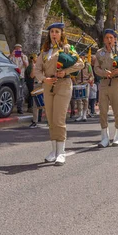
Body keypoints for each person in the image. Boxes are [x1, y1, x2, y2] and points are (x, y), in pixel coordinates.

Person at [34, 23, 83, 165]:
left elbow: (80, 64)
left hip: (63, 84)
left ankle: (61, 152)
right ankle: (53, 150)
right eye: (51, 32)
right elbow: (37, 70)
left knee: (59, 119)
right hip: (48, 86)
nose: (54, 34)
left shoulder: (68, 48)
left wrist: (65, 72)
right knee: (50, 119)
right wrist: (44, 79)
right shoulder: (44, 52)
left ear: (62, 34)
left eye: (57, 31)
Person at [94, 29, 118, 147]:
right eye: (107, 38)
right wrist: (104, 73)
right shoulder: (99, 53)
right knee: (103, 110)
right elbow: (96, 68)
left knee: (117, 109)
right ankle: (104, 137)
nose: (109, 40)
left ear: (115, 39)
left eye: (111, 38)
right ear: (104, 39)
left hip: (116, 82)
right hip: (104, 83)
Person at [73, 53, 93, 122]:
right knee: (79, 100)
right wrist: (75, 82)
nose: (81, 58)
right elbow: (73, 75)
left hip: (85, 83)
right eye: (80, 56)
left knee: (85, 99)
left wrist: (89, 80)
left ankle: (84, 114)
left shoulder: (88, 65)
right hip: (78, 83)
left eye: (82, 56)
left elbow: (91, 75)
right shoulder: (76, 65)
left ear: (84, 57)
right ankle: (80, 115)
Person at [9, 43, 29, 114]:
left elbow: (27, 65)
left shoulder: (24, 56)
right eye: (16, 49)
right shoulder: (12, 56)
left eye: (19, 49)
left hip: (21, 76)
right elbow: (8, 63)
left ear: (21, 49)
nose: (18, 50)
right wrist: (11, 55)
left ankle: (19, 108)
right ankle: (10, 107)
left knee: (21, 92)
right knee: (12, 91)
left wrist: (22, 58)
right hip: (13, 76)